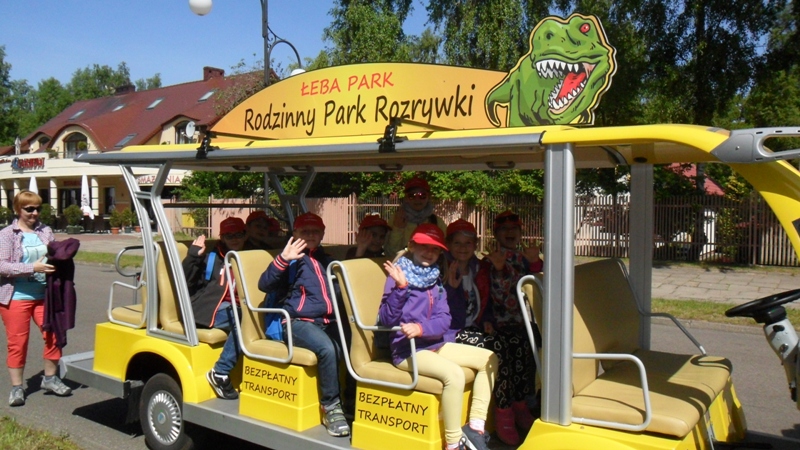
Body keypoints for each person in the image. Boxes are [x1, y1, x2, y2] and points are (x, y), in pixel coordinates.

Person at [379, 223, 497, 450]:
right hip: (408, 350)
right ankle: (453, 442)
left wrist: (422, 328)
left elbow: (444, 319)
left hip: (435, 343)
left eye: (435, 249)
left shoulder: (433, 278)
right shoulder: (397, 275)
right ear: (412, 246)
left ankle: (475, 427)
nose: (429, 252)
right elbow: (386, 319)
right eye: (424, 246)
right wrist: (401, 288)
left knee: (489, 359)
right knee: (455, 375)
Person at [258, 212, 351, 437]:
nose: (310, 235)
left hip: (328, 320)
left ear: (322, 234)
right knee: (327, 348)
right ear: (295, 233)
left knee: (352, 344)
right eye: (304, 231)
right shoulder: (290, 260)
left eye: (315, 231)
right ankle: (331, 406)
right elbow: (264, 284)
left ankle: (350, 398)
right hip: (296, 321)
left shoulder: (328, 260)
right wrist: (284, 258)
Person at [444, 219, 535, 445]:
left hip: (474, 328)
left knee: (517, 341)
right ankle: (503, 412)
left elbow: (486, 301)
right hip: (452, 332)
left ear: (475, 244)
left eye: (468, 243)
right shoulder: (443, 268)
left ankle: (519, 403)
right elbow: (446, 311)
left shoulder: (479, 268)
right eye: (457, 243)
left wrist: (486, 320)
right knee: (498, 347)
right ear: (449, 245)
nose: (463, 248)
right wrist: (452, 288)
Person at [0, 190, 71, 407]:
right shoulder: (7, 234)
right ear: (17, 209)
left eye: (37, 208)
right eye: (29, 209)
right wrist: (32, 268)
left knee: (54, 335)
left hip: (45, 296)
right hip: (16, 296)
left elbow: (54, 254)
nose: (34, 213)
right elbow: (2, 266)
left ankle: (50, 379)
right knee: (18, 343)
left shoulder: (45, 231)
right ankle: (17, 387)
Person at [476, 211, 540, 434]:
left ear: (521, 233)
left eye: (514, 229)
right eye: (504, 229)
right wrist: (499, 269)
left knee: (535, 342)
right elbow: (495, 298)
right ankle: (508, 408)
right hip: (497, 323)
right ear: (496, 234)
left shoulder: (525, 258)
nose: (510, 232)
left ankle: (525, 401)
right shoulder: (489, 261)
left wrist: (535, 263)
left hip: (522, 322)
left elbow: (540, 288)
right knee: (514, 345)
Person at [182, 217, 247, 400]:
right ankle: (220, 371)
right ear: (222, 237)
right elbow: (184, 281)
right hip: (211, 308)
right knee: (244, 319)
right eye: (229, 236)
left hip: (239, 306)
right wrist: (193, 256)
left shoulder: (249, 256)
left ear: (245, 235)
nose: (235, 239)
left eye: (238, 235)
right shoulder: (212, 257)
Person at [385, 177, 446, 257]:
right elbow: (389, 253)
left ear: (429, 197)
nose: (417, 199)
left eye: (422, 195)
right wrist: (397, 229)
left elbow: (445, 251)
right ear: (406, 198)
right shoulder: (396, 218)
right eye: (412, 196)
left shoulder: (437, 222)